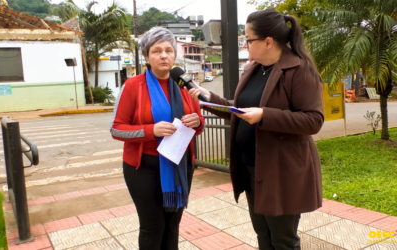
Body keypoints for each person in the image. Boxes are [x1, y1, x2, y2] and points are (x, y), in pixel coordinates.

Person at [187, 9, 324, 250]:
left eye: (248, 39)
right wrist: (211, 98)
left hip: (281, 171)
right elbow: (240, 109)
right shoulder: (253, 69)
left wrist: (265, 115)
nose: (245, 44)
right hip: (252, 168)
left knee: (283, 241)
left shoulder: (299, 69)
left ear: (268, 42)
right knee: (263, 236)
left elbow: (313, 120)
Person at [110, 27, 205, 250]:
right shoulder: (133, 86)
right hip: (144, 168)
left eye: (169, 50)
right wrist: (150, 131)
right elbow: (116, 129)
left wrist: (197, 122)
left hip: (179, 165)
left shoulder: (183, 85)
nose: (164, 55)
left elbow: (198, 121)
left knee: (173, 226)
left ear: (174, 55)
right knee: (153, 228)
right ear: (146, 56)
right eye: (156, 51)